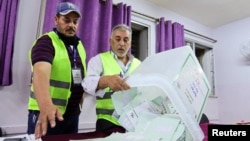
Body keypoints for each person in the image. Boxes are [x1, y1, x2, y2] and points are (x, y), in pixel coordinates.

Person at [27, 2, 86, 139]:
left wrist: (80, 100)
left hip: (72, 115)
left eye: (75, 21)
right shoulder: (46, 42)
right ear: (56, 20)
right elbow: (40, 73)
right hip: (47, 113)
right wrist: (46, 105)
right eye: (66, 20)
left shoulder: (79, 46)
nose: (71, 25)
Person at [81, 24, 141, 133]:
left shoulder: (139, 64)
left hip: (134, 123)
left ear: (130, 43)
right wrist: (106, 81)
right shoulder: (98, 60)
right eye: (117, 39)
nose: (122, 43)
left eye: (126, 40)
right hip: (107, 122)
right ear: (110, 41)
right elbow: (87, 84)